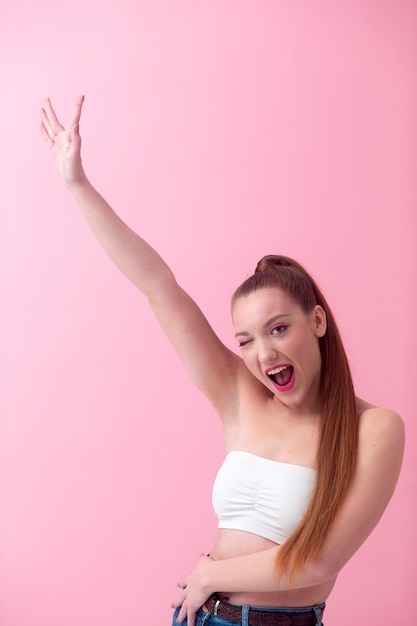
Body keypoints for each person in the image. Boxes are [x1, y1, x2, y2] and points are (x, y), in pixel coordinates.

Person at [40, 96, 404, 626]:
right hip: (199, 618)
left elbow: (323, 558)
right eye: (247, 340)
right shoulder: (240, 397)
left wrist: (212, 575)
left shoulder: (375, 429)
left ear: (318, 323)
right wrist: (77, 184)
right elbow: (158, 287)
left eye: (279, 329)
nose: (264, 353)